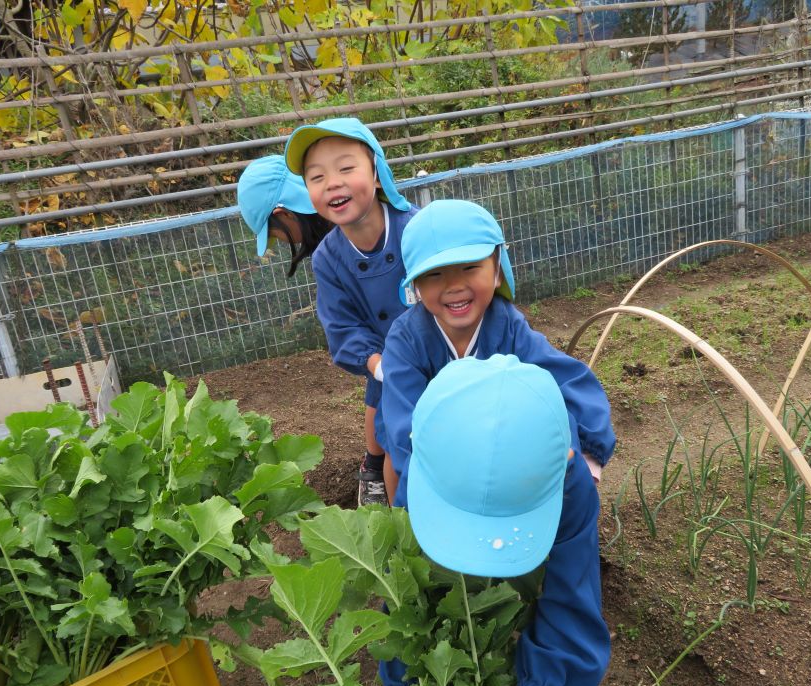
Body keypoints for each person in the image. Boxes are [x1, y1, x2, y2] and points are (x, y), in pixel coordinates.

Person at [397, 354, 609, 686]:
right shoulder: (427, 477)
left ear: (564, 461)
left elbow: (572, 592)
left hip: (535, 584)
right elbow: (406, 602)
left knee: (573, 602)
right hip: (462, 595)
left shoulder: (569, 484)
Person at [379, 198, 614, 511]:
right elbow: (403, 419)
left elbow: (563, 379)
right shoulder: (406, 340)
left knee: (561, 418)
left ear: (497, 272)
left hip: (505, 452)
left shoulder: (507, 326)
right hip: (440, 463)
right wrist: (446, 480)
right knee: (405, 472)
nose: (453, 286)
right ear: (416, 285)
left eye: (469, 268)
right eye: (434, 275)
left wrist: (588, 450)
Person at [284, 117, 418, 506]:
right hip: (387, 359)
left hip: (443, 352)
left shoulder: (415, 230)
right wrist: (378, 364)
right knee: (397, 442)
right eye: (317, 177)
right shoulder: (328, 258)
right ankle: (401, 522)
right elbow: (341, 326)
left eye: (346, 168)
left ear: (377, 174)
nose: (333, 183)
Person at [236, 154, 333, 277]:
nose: (281, 241)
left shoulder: (331, 256)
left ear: (284, 214)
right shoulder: (352, 217)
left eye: (273, 235)